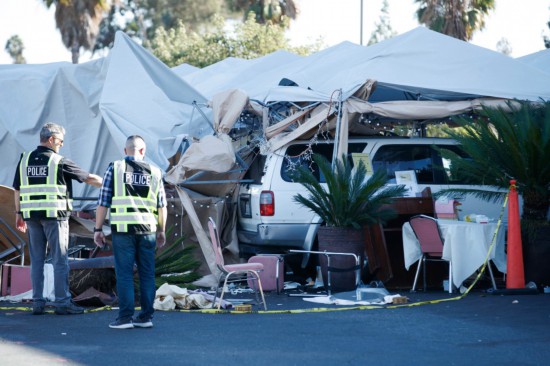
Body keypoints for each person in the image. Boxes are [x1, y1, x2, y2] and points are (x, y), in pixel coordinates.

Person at [13, 122, 103, 315]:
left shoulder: (25, 159)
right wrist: (110, 183)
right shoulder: (59, 161)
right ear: (52, 139)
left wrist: (19, 214)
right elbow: (88, 178)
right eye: (60, 141)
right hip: (55, 217)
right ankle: (63, 303)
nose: (61, 145)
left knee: (36, 260)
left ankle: (38, 303)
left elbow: (17, 189)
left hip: (31, 217)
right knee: (59, 260)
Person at [94, 135, 166, 329]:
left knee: (124, 274)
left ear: (125, 151)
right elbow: (162, 206)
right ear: (143, 151)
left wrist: (98, 229)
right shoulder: (155, 172)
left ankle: (125, 318)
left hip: (123, 230)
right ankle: (145, 317)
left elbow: (103, 202)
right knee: (147, 274)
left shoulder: (115, 169)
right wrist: (162, 230)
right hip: (148, 230)